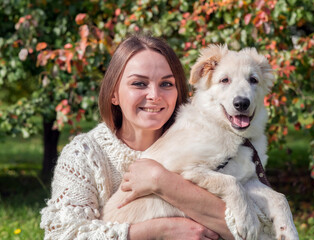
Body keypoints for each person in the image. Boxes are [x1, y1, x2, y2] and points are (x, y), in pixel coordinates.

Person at [40, 34, 238, 240]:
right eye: (139, 84)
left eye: (167, 84)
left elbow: (256, 229)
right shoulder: (84, 155)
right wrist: (161, 230)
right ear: (113, 94)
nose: (154, 95)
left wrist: (161, 181)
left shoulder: (207, 143)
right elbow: (63, 235)